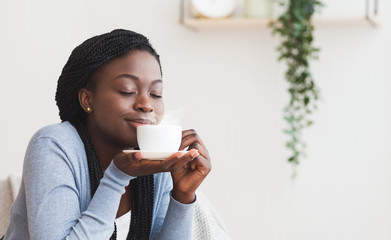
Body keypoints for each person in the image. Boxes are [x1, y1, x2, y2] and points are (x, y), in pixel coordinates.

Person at [3, 29, 212, 240]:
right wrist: (117, 177)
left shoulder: (156, 161)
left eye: (155, 93)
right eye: (127, 90)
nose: (146, 105)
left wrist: (183, 196)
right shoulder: (53, 145)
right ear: (87, 100)